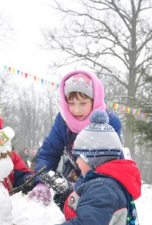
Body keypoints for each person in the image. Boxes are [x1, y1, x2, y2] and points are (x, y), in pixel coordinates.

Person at [29, 70, 122, 205]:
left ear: (94, 101)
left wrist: (76, 190)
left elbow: (103, 164)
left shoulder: (110, 122)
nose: (76, 110)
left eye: (83, 103)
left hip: (104, 176)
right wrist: (41, 181)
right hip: (74, 169)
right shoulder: (63, 120)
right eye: (71, 103)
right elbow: (49, 153)